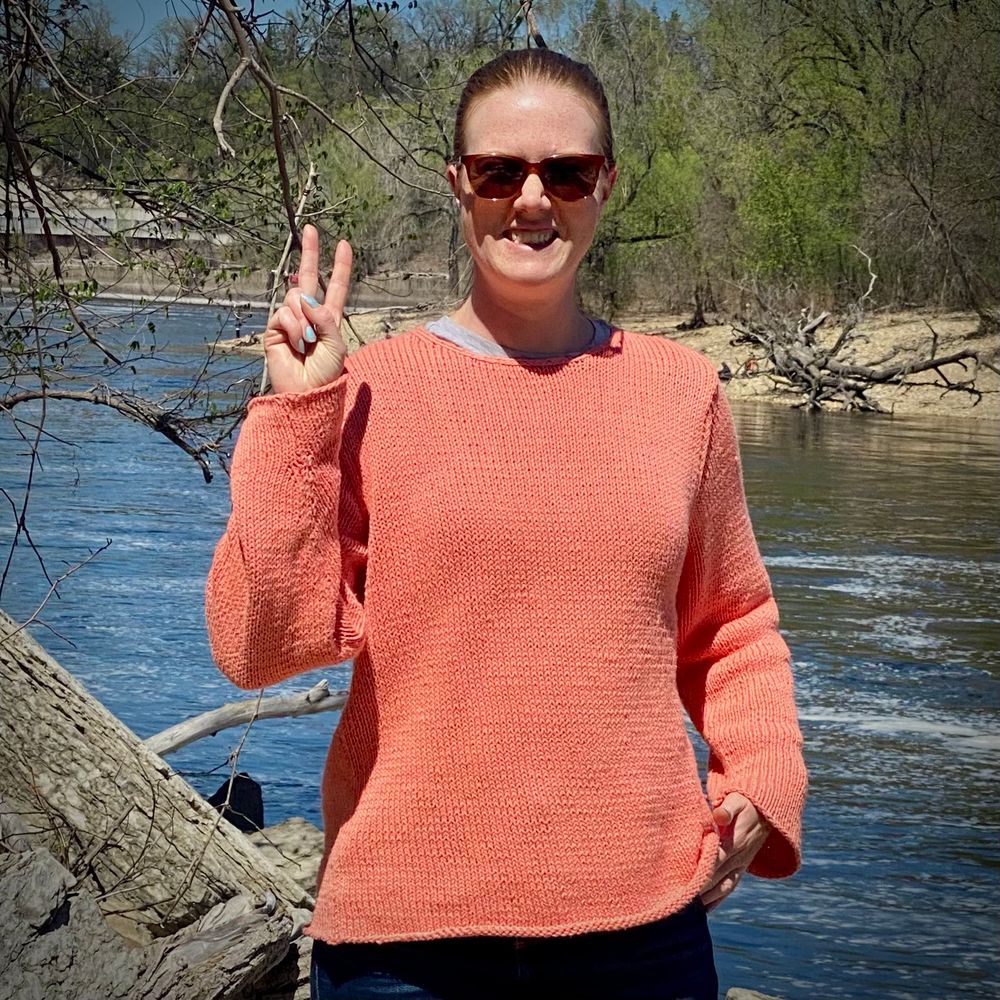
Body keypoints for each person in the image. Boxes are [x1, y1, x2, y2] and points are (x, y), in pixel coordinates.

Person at [206, 48, 807, 1000]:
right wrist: (294, 422)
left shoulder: (681, 393)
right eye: (500, 171)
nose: (533, 199)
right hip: (400, 945)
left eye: (565, 172)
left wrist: (761, 775)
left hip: (642, 933)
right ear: (459, 184)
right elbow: (258, 646)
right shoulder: (364, 394)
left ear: (604, 185)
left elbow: (733, 627)